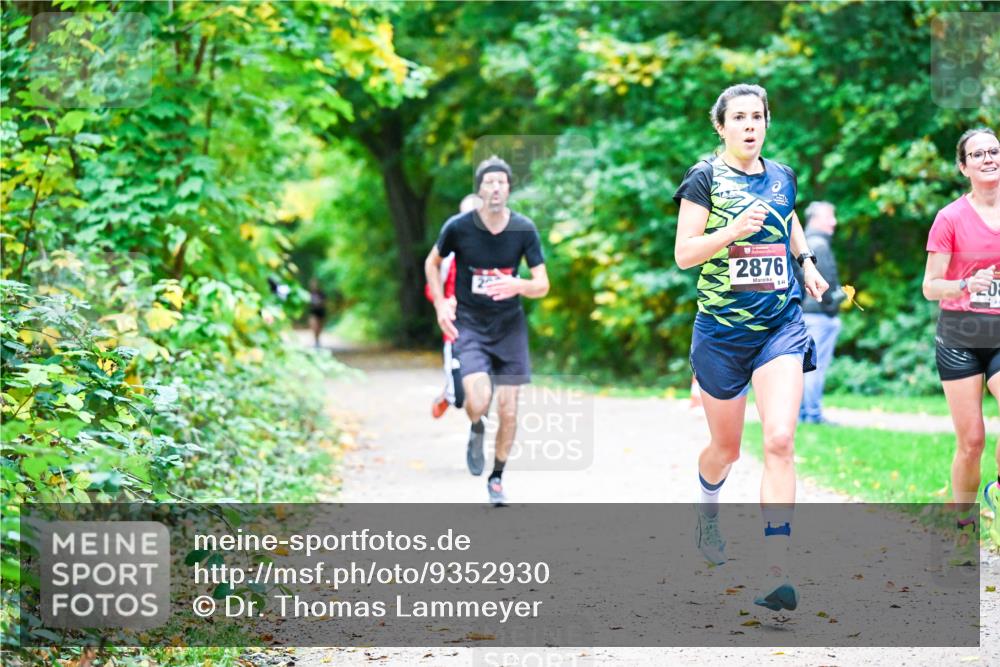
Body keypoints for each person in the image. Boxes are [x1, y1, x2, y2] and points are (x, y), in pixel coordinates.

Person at [673, 83, 828, 611]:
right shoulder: (704, 178)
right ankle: (707, 515)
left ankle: (777, 568)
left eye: (756, 116)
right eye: (737, 117)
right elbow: (685, 254)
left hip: (779, 325)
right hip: (720, 332)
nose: (749, 125)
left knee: (781, 440)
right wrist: (732, 230)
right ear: (721, 126)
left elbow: (791, 222)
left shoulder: (782, 174)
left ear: (767, 122)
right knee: (728, 450)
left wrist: (806, 264)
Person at [424, 156, 549, 506]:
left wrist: (517, 284)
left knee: (509, 409)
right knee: (478, 402)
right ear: (480, 189)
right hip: (471, 325)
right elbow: (431, 263)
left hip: (509, 327)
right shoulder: (459, 227)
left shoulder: (524, 229)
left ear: (509, 189)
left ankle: (496, 478)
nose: (495, 188)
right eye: (489, 182)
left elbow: (542, 284)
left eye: (502, 182)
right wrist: (440, 303)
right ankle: (476, 427)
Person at [922, 127, 1000, 560]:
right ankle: (962, 522)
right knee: (971, 441)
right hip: (961, 336)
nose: (989, 159)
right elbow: (930, 287)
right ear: (963, 166)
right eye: (978, 154)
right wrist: (966, 283)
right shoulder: (950, 218)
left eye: (994, 151)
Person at [428, 194, 483, 418]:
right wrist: (442, 304)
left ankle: (478, 433)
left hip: (485, 327)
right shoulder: (448, 255)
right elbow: (431, 287)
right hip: (456, 327)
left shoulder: (496, 250)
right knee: (459, 397)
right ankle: (447, 396)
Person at [793, 201, 846, 424]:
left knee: (806, 366)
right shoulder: (818, 245)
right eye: (829, 217)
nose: (834, 222)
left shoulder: (805, 243)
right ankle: (812, 415)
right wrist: (838, 299)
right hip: (819, 317)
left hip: (807, 314)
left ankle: (804, 413)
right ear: (815, 219)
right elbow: (823, 287)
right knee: (815, 367)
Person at [307, 277, 327, 349]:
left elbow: (325, 302)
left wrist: (319, 303)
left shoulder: (321, 293)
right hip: (313, 312)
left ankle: (318, 340)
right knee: (314, 326)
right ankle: (316, 340)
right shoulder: (309, 293)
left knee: (319, 327)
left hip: (321, 312)